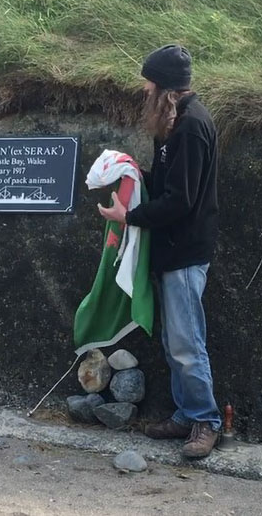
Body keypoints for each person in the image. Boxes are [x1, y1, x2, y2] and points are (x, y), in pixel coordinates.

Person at [97, 44, 221, 458]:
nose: (144, 87)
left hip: (185, 252)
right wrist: (134, 170)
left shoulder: (189, 127)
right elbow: (170, 184)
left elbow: (180, 201)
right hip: (174, 250)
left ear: (166, 87)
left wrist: (127, 217)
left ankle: (205, 420)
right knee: (174, 342)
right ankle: (186, 413)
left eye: (149, 81)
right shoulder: (176, 123)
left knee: (187, 343)